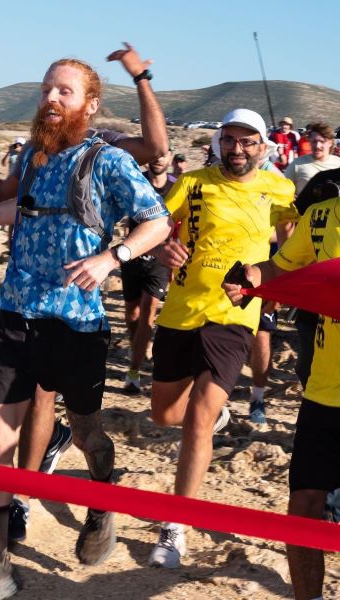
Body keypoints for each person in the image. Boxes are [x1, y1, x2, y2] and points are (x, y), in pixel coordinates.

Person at [0, 54, 171, 600]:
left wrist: (113, 257)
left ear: (89, 104)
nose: (51, 99)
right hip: (15, 315)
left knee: (87, 434)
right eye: (46, 89)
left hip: (76, 323)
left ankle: (101, 501)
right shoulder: (33, 157)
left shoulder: (107, 159)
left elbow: (157, 221)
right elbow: (23, 210)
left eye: (64, 91)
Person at [147, 108, 296, 568]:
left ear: (263, 147)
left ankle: (175, 527)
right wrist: (162, 247)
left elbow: (293, 248)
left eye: (247, 142)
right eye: (229, 140)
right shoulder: (193, 182)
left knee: (197, 419)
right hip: (180, 310)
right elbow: (153, 227)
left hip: (234, 316)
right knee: (164, 415)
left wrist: (270, 284)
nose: (237, 149)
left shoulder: (279, 189)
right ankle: (217, 417)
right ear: (218, 143)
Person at [223, 196, 340, 600]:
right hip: (324, 391)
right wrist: (251, 277)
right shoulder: (321, 215)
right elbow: (279, 267)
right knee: (303, 508)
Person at [122, 149, 175, 392]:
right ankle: (139, 348)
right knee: (132, 314)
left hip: (160, 259)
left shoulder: (176, 186)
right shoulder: (137, 180)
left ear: (170, 157)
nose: (158, 159)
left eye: (163, 155)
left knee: (148, 311)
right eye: (154, 155)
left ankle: (133, 372)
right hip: (133, 252)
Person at [285, 122, 340, 195]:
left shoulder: (338, 163)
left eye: (322, 141)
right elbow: (283, 190)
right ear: (310, 141)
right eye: (314, 141)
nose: (317, 146)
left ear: (330, 143)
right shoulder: (297, 164)